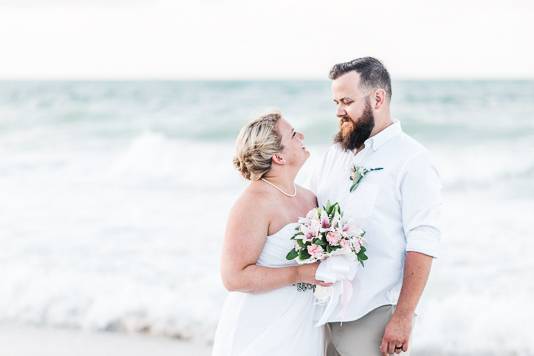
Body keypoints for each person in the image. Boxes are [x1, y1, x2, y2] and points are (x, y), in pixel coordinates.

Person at [310, 57, 442, 356]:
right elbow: (307, 208)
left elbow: (423, 240)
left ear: (378, 98)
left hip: (376, 313)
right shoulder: (334, 155)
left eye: (347, 101)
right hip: (322, 311)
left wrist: (404, 316)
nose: (339, 111)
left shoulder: (412, 159)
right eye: (335, 101)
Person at [212, 112, 331, 356]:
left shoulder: (309, 197)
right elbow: (233, 277)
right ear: (278, 156)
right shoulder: (253, 203)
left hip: (303, 321)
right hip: (261, 323)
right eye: (293, 134)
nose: (302, 136)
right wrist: (299, 273)